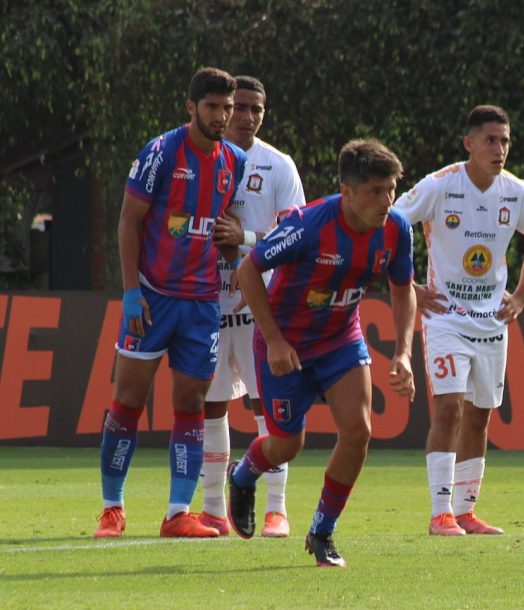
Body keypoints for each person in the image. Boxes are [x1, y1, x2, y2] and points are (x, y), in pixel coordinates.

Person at [227, 138, 416, 568]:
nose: (387, 201)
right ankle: (243, 474)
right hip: (286, 344)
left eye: (391, 189)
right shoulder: (308, 225)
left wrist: (403, 353)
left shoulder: (396, 229)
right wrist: (275, 340)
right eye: (375, 191)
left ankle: (322, 532)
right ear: (346, 191)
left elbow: (403, 289)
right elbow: (249, 269)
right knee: (287, 445)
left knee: (359, 431)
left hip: (340, 339)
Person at [93, 67, 246, 539]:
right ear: (191, 107)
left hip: (201, 304)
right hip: (152, 298)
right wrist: (131, 291)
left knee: (191, 402)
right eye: (212, 107)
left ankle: (178, 513)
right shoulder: (160, 153)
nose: (221, 116)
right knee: (128, 400)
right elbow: (128, 221)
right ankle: (112, 509)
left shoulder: (235, 161)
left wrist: (236, 243)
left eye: (227, 108)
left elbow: (223, 222)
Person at [395, 105, 524, 536]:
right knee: (448, 408)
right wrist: (410, 285)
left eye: (505, 141)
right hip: (444, 317)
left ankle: (465, 511)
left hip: (492, 320)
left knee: (480, 415)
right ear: (469, 143)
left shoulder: (516, 192)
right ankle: (439, 512)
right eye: (490, 140)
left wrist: (521, 295)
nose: (499, 149)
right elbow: (391, 225)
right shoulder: (440, 185)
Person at [198, 75, 306, 539]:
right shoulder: (202, 159)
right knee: (212, 404)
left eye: (255, 110)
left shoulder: (278, 166)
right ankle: (213, 509)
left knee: (269, 405)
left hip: (261, 307)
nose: (245, 117)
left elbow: (295, 237)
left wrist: (241, 237)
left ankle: (276, 509)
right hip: (207, 302)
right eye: (238, 107)